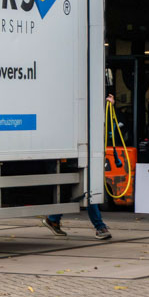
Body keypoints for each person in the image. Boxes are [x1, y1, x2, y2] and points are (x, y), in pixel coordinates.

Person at [43, 91, 114, 240]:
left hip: (82, 151)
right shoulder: (77, 105)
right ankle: (99, 227)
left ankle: (53, 219)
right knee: (88, 191)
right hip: (77, 152)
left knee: (80, 191)